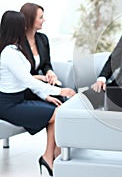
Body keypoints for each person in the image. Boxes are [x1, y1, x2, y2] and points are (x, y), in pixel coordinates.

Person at [0, 11, 76, 176]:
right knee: (57, 113)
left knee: (57, 108)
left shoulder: (15, 49)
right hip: (8, 104)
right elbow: (28, 81)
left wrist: (46, 96)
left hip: (18, 100)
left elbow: (24, 79)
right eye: (22, 25)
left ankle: (51, 155)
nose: (25, 28)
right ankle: (50, 156)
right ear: (16, 28)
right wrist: (59, 90)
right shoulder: (9, 53)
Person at [20, 3, 64, 102]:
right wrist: (41, 78)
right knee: (56, 97)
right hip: (24, 86)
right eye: (40, 17)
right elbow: (19, 76)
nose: (44, 20)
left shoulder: (43, 39)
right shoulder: (17, 43)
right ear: (30, 19)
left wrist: (50, 73)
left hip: (39, 83)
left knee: (60, 92)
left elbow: (46, 64)